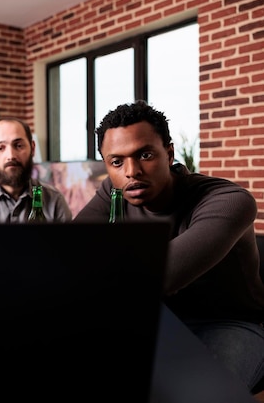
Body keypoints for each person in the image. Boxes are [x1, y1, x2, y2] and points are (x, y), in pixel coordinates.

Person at [74, 100, 264, 391]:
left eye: (145, 154)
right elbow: (67, 255)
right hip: (156, 320)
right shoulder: (113, 194)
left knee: (195, 392)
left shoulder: (228, 200)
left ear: (170, 153)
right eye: (117, 162)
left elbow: (159, 275)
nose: (132, 171)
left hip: (230, 324)